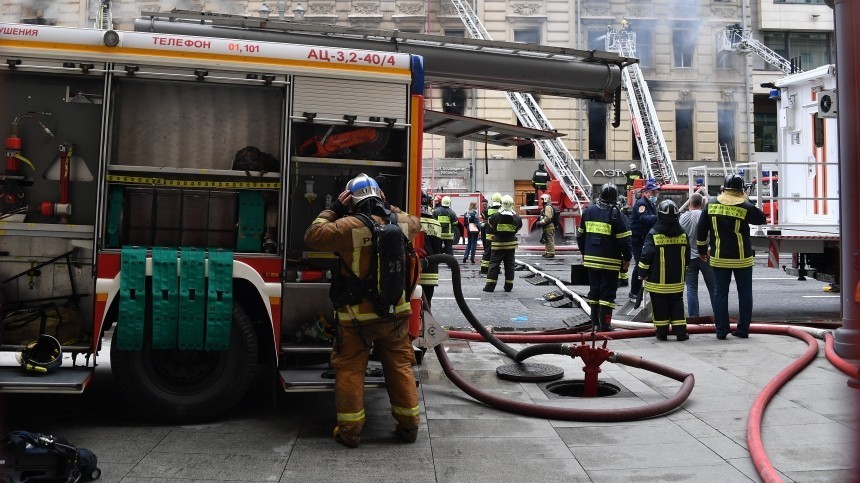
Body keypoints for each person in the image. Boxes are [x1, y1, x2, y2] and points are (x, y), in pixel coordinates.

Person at [303, 173, 421, 448]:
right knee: (399, 367)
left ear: (351, 199)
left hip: (356, 318)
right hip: (395, 315)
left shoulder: (346, 226)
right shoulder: (402, 224)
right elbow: (414, 220)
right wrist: (388, 206)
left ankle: (350, 433)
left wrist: (333, 209)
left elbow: (312, 235)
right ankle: (409, 427)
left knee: (350, 371)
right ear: (379, 196)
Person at [697, 173, 766, 340]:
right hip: (742, 257)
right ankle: (743, 330)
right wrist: (748, 201)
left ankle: (721, 330)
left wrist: (702, 250)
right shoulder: (745, 206)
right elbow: (761, 219)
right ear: (740, 188)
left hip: (719, 257)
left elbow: (701, 229)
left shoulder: (711, 204)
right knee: (745, 293)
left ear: (724, 187)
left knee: (720, 293)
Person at [577, 183, 632, 332]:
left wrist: (585, 254)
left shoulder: (588, 211)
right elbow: (624, 241)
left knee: (594, 292)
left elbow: (580, 236)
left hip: (591, 260)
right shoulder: (617, 215)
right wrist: (627, 258)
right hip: (610, 262)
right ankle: (605, 326)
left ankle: (594, 324)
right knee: (607, 294)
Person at [638, 200, 689, 341]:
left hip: (657, 282)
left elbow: (646, 255)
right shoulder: (682, 234)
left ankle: (662, 333)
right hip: (677, 281)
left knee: (659, 306)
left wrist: (642, 273)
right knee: (677, 304)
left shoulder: (653, 234)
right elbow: (688, 256)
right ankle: (681, 333)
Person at [679, 191, 714, 317]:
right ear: (702, 204)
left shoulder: (683, 218)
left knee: (691, 289)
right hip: (706, 255)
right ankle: (719, 314)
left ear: (689, 204)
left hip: (689, 257)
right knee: (713, 288)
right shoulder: (705, 216)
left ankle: (694, 317)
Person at [627, 180, 660, 302]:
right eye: (653, 192)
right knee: (639, 264)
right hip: (638, 239)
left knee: (646, 264)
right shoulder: (642, 204)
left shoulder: (650, 204)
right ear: (646, 192)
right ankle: (634, 292)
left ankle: (641, 289)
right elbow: (644, 218)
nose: (655, 194)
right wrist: (659, 218)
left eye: (656, 192)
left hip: (645, 238)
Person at [484, 195, 522, 293]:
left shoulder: (496, 216)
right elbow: (518, 227)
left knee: (494, 265)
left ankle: (490, 287)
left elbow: (491, 224)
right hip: (510, 246)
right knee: (509, 266)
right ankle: (508, 286)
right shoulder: (516, 217)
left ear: (502, 204)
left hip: (498, 245)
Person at [418, 192, 443, 306]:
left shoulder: (411, 220)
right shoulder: (436, 223)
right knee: (426, 307)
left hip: (414, 273)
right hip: (431, 273)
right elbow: (437, 250)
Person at [480, 192, 502, 275]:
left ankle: (484, 269)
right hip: (499, 234)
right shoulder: (502, 210)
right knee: (497, 252)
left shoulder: (487, 211)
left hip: (489, 234)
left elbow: (484, 216)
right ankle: (496, 269)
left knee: (487, 251)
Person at [537, 193, 555, 258]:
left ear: (545, 199)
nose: (540, 201)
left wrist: (540, 223)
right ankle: (547, 252)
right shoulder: (546, 207)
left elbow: (547, 218)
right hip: (546, 226)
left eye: (542, 199)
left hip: (549, 226)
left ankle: (551, 253)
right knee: (546, 239)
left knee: (549, 239)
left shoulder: (547, 207)